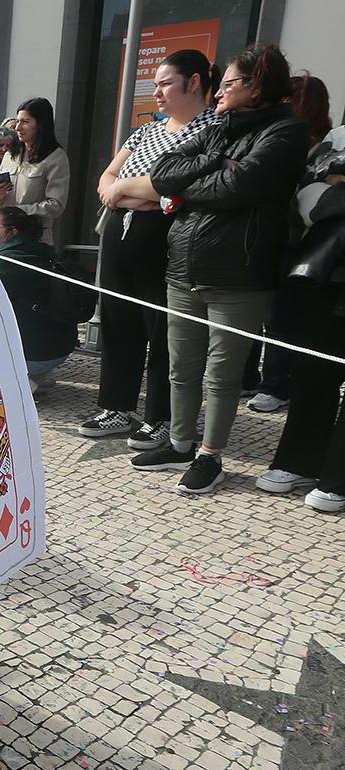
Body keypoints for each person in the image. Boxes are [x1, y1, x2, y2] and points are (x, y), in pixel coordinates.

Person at [133, 44, 309, 494]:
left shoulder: (286, 131)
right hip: (183, 268)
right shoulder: (217, 128)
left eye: (228, 82)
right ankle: (179, 444)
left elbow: (239, 186)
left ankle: (210, 457)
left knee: (221, 376)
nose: (219, 91)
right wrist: (213, 162)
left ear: (256, 85)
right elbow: (162, 172)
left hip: (240, 276)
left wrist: (187, 189)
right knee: (180, 367)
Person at [78, 49, 220, 449]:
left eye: (165, 84)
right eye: (154, 84)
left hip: (167, 239)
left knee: (162, 330)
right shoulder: (145, 130)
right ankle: (117, 406)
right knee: (118, 321)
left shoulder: (211, 130)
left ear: (194, 82)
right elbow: (107, 177)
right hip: (120, 233)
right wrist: (128, 193)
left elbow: (176, 185)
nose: (156, 92)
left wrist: (126, 189)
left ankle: (161, 416)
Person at [255, 120, 345, 512]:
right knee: (313, 371)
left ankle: (337, 477)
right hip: (328, 275)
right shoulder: (337, 138)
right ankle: (299, 462)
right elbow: (307, 198)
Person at [245, 73, 335, 414]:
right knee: (257, 313)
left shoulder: (324, 147)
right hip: (271, 237)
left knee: (280, 317)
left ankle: (276, 385)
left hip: (302, 244)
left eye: (288, 99)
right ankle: (249, 377)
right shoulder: (279, 138)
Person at [0, 207, 76, 390]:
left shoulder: (4, 261)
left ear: (12, 232)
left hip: (34, 355)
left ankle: (20, 384)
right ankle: (37, 376)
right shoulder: (45, 252)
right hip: (60, 349)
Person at [0, 97, 70, 244]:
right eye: (17, 121)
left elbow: (56, 205)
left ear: (40, 125)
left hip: (34, 237)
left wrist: (19, 212)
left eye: (25, 122)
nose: (18, 127)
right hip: (5, 237)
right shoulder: (10, 155)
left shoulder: (55, 157)